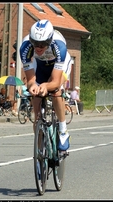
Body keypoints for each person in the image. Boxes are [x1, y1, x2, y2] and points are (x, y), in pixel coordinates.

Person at [19, 19, 72, 153]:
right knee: (36, 96)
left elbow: (54, 80)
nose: (38, 47)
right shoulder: (25, 47)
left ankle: (63, 130)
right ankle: (40, 141)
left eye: (43, 44)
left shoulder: (59, 46)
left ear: (49, 40)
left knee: (55, 91)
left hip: (59, 66)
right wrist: (32, 86)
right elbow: (31, 79)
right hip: (41, 65)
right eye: (35, 43)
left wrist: (46, 86)